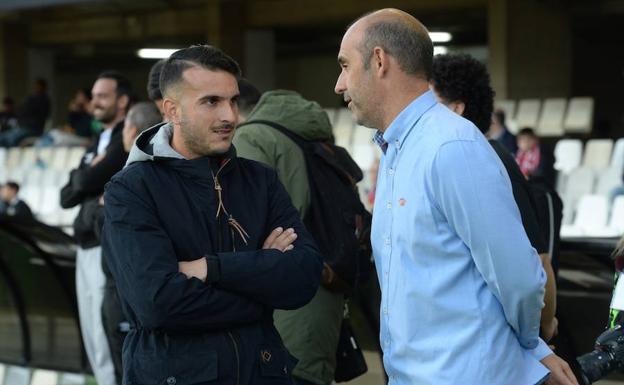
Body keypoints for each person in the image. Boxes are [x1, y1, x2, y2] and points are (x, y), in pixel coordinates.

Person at [334, 8, 577, 385]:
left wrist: (531, 348)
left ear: (379, 61)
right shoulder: (400, 150)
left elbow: (520, 278)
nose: (339, 84)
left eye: (345, 66)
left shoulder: (451, 147)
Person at [101, 44, 323, 385]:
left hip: (262, 372)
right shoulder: (132, 189)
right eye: (211, 102)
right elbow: (158, 304)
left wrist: (210, 268)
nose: (230, 116)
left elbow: (304, 276)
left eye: (233, 100)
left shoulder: (259, 179)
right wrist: (262, 284)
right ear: (172, 110)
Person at [430, 53, 559, 342]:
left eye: (432, 104)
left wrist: (543, 326)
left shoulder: (492, 160)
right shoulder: (447, 160)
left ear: (457, 109)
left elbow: (538, 260)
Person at [234, 89, 346, 385]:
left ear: (235, 108)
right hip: (322, 289)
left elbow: (243, 228)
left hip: (282, 302)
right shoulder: (312, 136)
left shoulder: (251, 138)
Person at [60, 70, 133, 385]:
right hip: (84, 245)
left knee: (107, 330)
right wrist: (87, 175)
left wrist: (87, 174)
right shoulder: (96, 141)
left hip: (104, 246)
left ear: (122, 101)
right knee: (92, 331)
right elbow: (65, 196)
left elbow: (86, 181)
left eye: (103, 96)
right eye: (93, 96)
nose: (95, 102)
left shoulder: (124, 139)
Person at [96, 101, 162, 385]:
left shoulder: (128, 181)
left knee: (128, 370)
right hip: (135, 295)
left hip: (126, 295)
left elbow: (96, 218)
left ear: (131, 130)